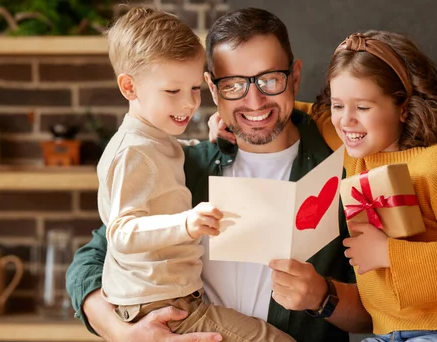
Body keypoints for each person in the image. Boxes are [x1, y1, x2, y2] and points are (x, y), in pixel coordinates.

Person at [66, 7, 369, 342]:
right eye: (234, 84)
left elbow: (383, 313)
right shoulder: (185, 165)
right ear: (212, 87)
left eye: (269, 80)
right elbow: (92, 259)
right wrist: (124, 333)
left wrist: (323, 297)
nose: (254, 101)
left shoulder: (344, 169)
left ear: (294, 78)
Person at [213, 30, 437, 342]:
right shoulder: (353, 152)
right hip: (388, 333)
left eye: (362, 108)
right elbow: (299, 110)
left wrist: (387, 253)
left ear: (402, 107)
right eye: (338, 106)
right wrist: (236, 115)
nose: (346, 121)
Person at [95, 7, 296, 342]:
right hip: (161, 304)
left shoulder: (158, 142)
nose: (189, 103)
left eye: (193, 89)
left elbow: (165, 160)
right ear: (129, 87)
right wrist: (185, 224)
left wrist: (207, 139)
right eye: (173, 92)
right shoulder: (132, 151)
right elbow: (119, 233)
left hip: (173, 296)